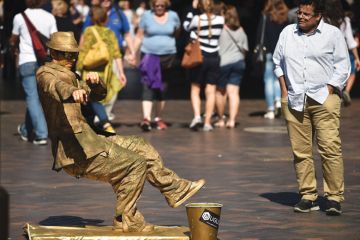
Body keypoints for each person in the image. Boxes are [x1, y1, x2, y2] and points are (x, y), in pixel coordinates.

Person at [36, 31, 206, 232]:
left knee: (140, 146)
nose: (72, 59)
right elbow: (56, 87)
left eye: (74, 55)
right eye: (67, 55)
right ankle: (126, 219)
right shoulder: (46, 74)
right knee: (134, 164)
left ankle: (174, 189)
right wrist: (73, 91)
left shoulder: (73, 75)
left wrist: (95, 83)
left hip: (92, 141)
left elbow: (98, 96)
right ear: (53, 53)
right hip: (76, 151)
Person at [273, 0, 350, 215]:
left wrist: (330, 89)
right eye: (299, 13)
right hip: (295, 99)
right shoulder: (288, 33)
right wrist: (284, 91)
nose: (301, 17)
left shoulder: (333, 34)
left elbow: (343, 65)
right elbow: (277, 62)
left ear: (318, 16)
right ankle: (308, 195)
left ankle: (334, 197)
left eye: (306, 14)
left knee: (330, 148)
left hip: (324, 98)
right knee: (301, 152)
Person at [10, 0, 58, 145]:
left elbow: (13, 39)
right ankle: (26, 129)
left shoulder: (19, 17)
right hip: (44, 62)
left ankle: (41, 134)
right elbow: (55, 40)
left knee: (32, 98)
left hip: (27, 60)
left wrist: (14, 47)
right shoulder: (50, 17)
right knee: (36, 98)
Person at [82, 0, 136, 121]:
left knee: (114, 85)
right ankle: (99, 114)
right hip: (95, 58)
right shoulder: (92, 12)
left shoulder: (119, 14)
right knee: (95, 85)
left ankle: (104, 114)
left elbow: (127, 34)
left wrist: (132, 51)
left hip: (114, 57)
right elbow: (84, 36)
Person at [77, 6, 126, 133]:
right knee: (96, 98)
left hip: (89, 72)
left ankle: (105, 124)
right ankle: (96, 126)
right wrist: (121, 72)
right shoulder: (110, 33)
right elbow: (117, 54)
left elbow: (83, 51)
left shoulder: (89, 31)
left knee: (92, 98)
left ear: (93, 18)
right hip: (105, 71)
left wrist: (78, 69)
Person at [133, 0, 180, 132]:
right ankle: (146, 119)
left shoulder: (173, 16)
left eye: (162, 6)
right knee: (147, 86)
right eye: (156, 6)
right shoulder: (146, 16)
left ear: (166, 6)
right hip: (149, 55)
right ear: (152, 6)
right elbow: (139, 35)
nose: (159, 8)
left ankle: (158, 118)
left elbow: (177, 32)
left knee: (162, 88)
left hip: (168, 56)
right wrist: (132, 52)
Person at [183, 0, 224, 131]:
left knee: (195, 88)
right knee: (210, 90)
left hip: (200, 58)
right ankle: (207, 123)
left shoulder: (196, 19)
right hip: (214, 58)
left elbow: (185, 26)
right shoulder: (220, 20)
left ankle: (197, 116)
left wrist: (192, 8)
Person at [215, 5, 248, 128]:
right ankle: (232, 120)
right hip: (239, 62)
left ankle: (221, 119)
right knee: (233, 92)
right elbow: (245, 49)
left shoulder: (220, 30)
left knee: (220, 92)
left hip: (223, 63)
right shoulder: (241, 30)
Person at [323, 0, 360, 106]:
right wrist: (357, 57)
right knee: (350, 72)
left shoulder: (324, 20)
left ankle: (333, 93)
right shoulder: (345, 20)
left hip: (329, 51)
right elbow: (350, 41)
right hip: (345, 51)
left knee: (331, 73)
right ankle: (346, 91)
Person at [257, 0, 289, 119]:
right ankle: (278, 101)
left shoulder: (266, 17)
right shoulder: (285, 17)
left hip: (270, 52)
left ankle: (270, 108)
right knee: (278, 78)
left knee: (268, 80)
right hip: (282, 53)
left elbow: (260, 35)